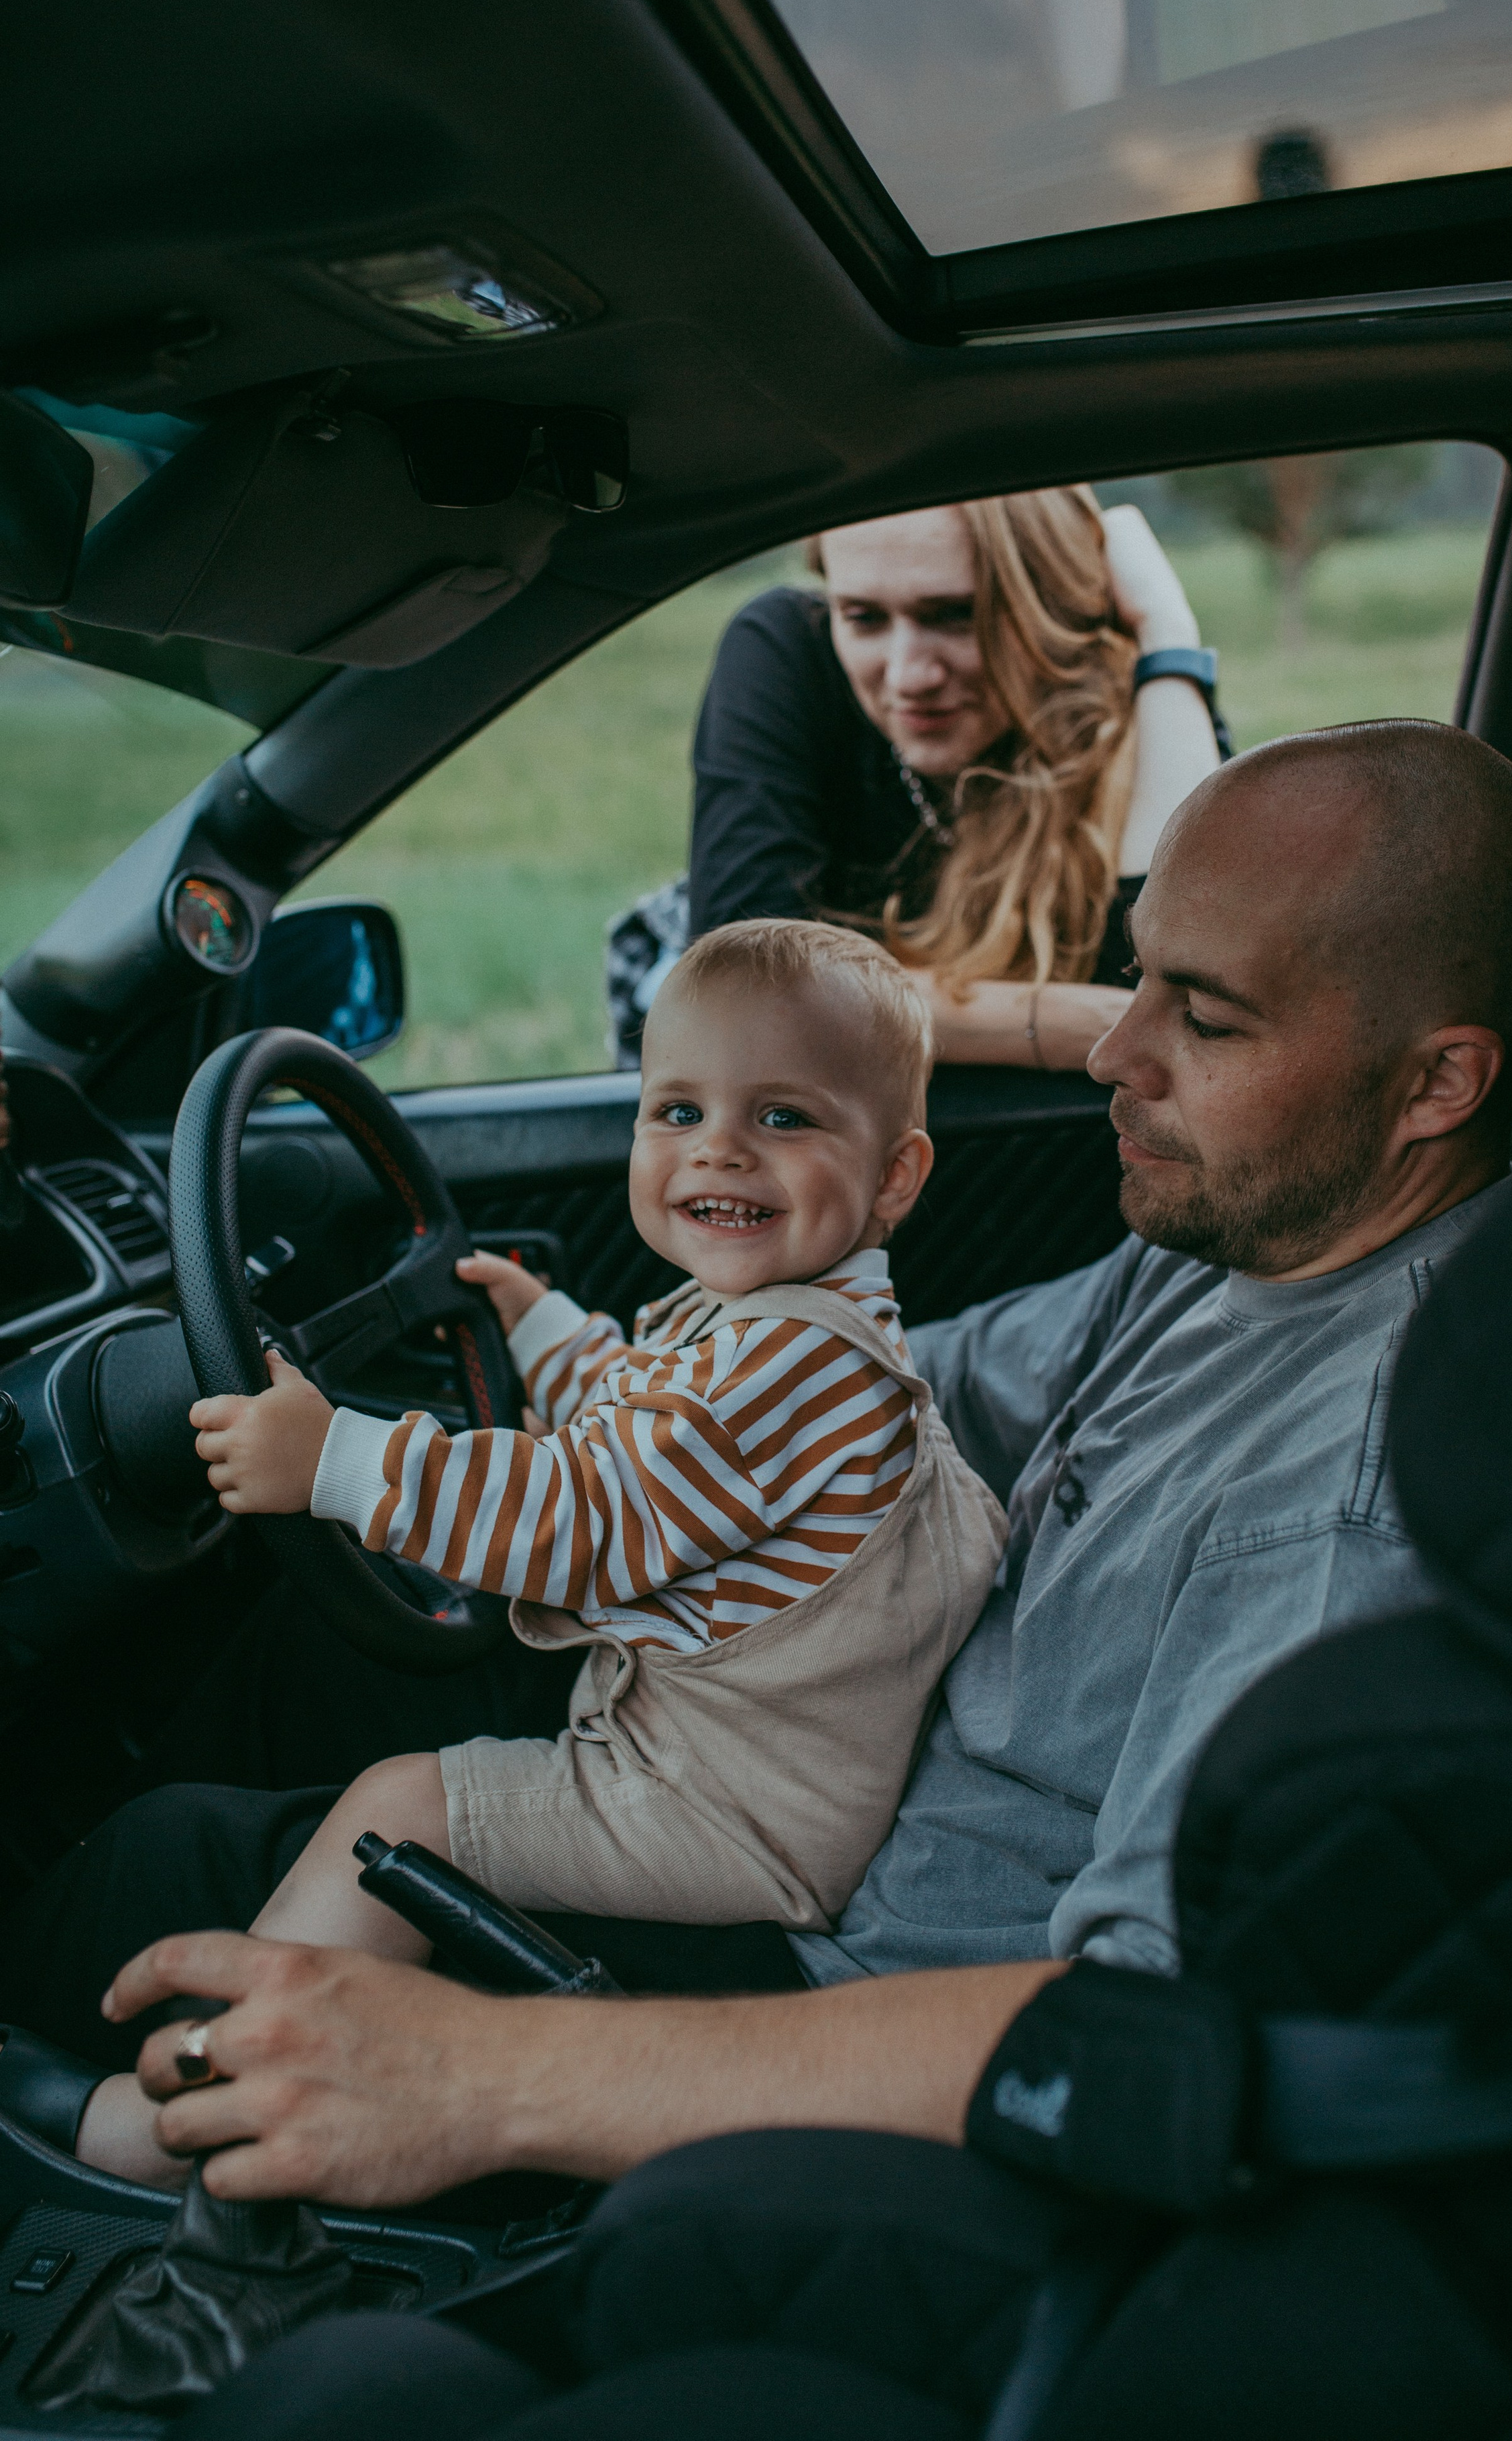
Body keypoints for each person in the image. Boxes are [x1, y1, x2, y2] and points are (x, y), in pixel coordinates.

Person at [0, 720, 1512, 2208]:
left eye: (1205, 1015)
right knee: (305, 1657)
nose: (1111, 1049)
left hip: (843, 1974)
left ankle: (88, 2163)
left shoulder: (1355, 1500)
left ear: (1434, 1083)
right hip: (806, 1727)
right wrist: (598, 1393)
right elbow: (888, 1400)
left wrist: (496, 2070)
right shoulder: (1235, 1243)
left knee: (189, 1860)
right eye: (1137, 978)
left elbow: (1136, 2031)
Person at [74, 921, 1004, 2182]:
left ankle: (191, 2116)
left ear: (895, 1178)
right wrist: (539, 1320)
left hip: (730, 1815)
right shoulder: (795, 1326)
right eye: (676, 1109)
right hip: (750, 1761)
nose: (718, 1146)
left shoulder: (794, 1367)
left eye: (783, 1117)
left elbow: (587, 1515)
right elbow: (649, 1417)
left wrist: (335, 1460)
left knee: (401, 1809)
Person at [656, 491, 1224, 1072]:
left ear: (1054, 607)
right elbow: (746, 984)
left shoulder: (1140, 702)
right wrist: (1077, 1024)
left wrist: (1167, 636)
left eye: (956, 615)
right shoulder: (791, 650)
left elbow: (1189, 973)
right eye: (863, 617)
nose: (909, 676)